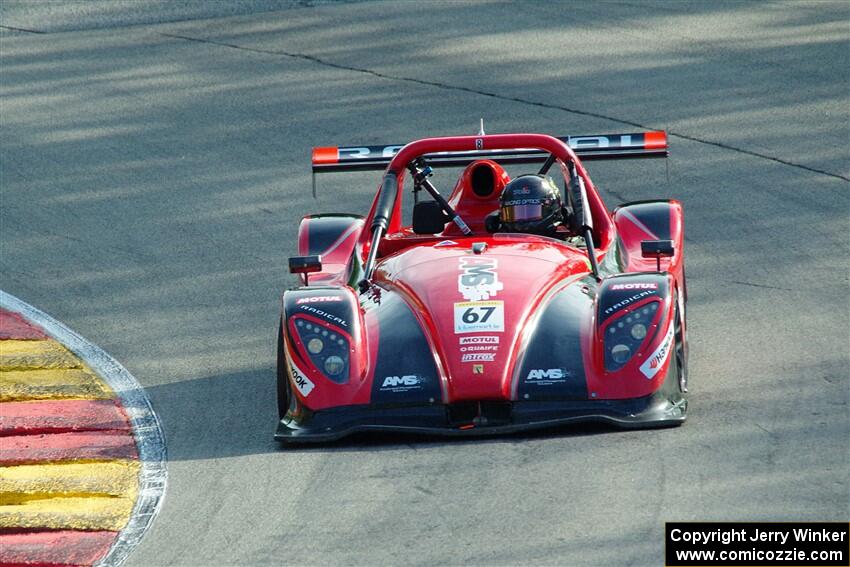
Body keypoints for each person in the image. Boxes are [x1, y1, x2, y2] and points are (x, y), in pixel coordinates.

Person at [485, 174, 574, 238]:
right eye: (514, 214)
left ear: (552, 210)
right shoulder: (497, 248)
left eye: (531, 211)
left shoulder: (574, 247)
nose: (522, 222)